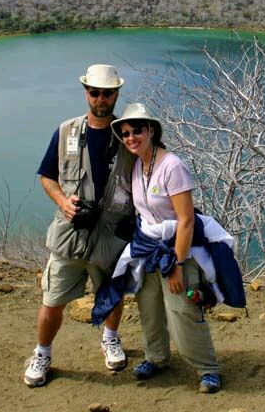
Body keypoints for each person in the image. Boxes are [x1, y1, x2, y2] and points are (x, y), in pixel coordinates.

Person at [23, 64, 136, 388]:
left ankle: (110, 338)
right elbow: (47, 176)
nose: (101, 98)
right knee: (53, 298)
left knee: (112, 294)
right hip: (70, 235)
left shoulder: (128, 134)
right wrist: (62, 201)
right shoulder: (66, 132)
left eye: (108, 92)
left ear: (116, 94)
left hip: (111, 235)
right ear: (86, 92)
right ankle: (42, 353)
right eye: (95, 92)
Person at [109, 102, 224, 394]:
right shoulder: (137, 164)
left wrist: (177, 265)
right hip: (148, 250)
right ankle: (156, 358)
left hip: (177, 251)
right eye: (125, 133)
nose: (131, 137)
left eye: (137, 130)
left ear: (151, 130)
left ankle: (207, 367)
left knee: (182, 308)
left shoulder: (171, 165)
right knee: (149, 307)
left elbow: (185, 220)